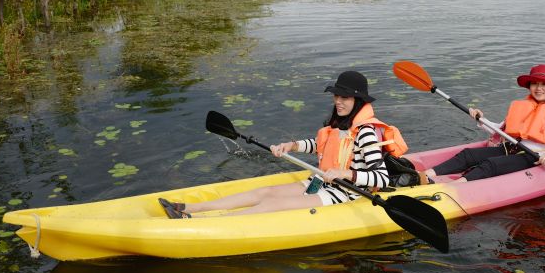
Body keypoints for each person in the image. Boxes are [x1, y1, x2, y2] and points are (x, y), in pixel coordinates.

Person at [159, 71, 391, 218]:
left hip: (346, 193)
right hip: (320, 181)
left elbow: (381, 178)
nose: (338, 101)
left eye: (345, 98)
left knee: (271, 204)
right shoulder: (340, 123)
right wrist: (291, 146)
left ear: (358, 100)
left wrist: (345, 173)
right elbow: (321, 144)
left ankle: (200, 222)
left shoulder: (367, 132)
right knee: (266, 192)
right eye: (337, 96)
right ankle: (189, 208)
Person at [420, 64, 545, 182]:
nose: (538, 88)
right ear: (529, 86)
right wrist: (480, 119)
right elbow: (499, 130)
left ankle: (452, 187)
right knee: (467, 154)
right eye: (535, 83)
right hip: (508, 148)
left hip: (532, 156)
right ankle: (425, 175)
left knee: (490, 164)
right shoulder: (522, 106)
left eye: (544, 84)